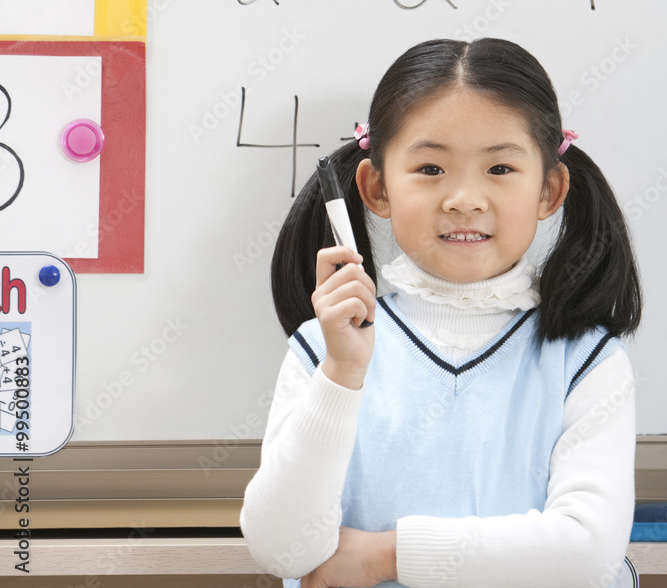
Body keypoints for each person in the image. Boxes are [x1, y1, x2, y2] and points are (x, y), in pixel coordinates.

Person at [241, 38, 642, 588]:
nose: (463, 198)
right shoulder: (327, 350)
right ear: (375, 189)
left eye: (500, 167)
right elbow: (282, 550)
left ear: (550, 190)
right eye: (430, 168)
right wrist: (341, 376)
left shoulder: (587, 360)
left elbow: (585, 552)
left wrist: (387, 556)